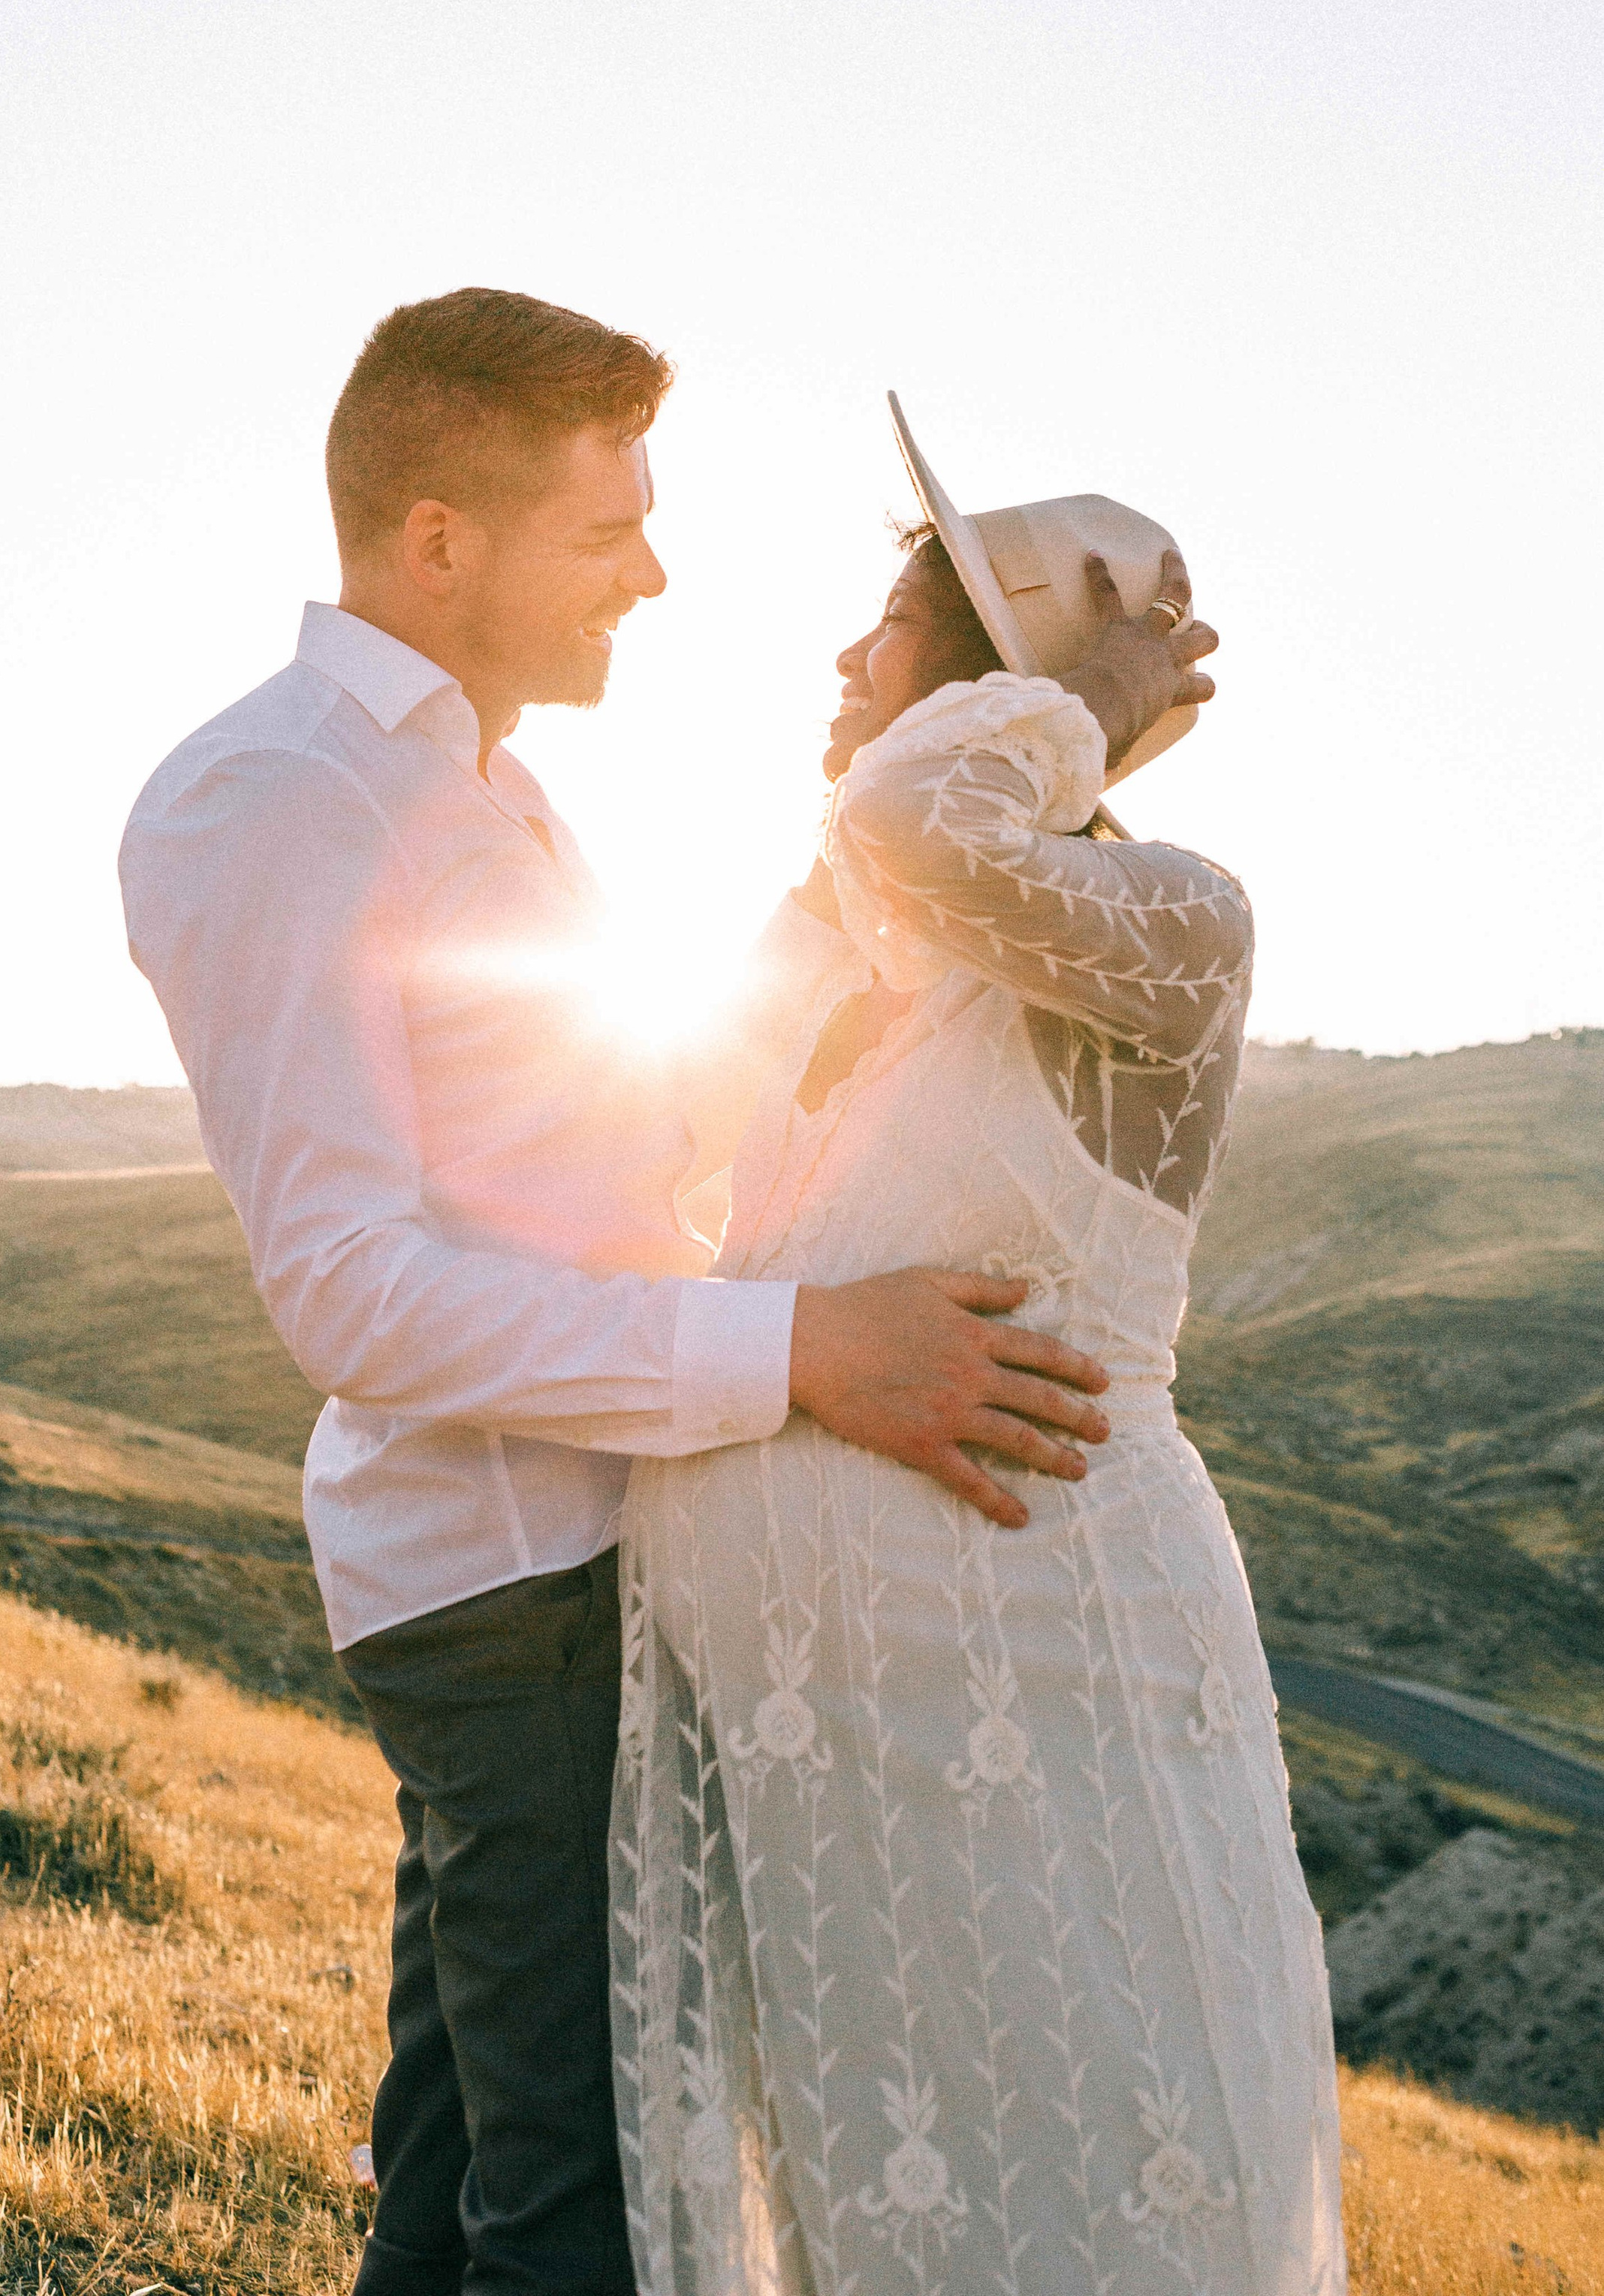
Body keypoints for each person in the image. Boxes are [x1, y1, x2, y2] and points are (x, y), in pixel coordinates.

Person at [118, 297, 1114, 2296]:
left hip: (574, 1560)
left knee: (471, 2152)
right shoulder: (275, 796)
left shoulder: (490, 786)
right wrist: (808, 1349)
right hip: (507, 1589)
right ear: (438, 543)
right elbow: (353, 1295)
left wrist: (839, 920)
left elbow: (615, 1132)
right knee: (583, 2207)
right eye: (608, 534)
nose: (655, 573)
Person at [611, 406, 1346, 2296]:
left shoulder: (1173, 922)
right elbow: (641, 1135)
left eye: (887, 623)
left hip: (1048, 1700)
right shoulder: (853, 956)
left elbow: (905, 821)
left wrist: (1082, 703)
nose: (845, 663)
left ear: (995, 673)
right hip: (835, 1777)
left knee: (1086, 2183)